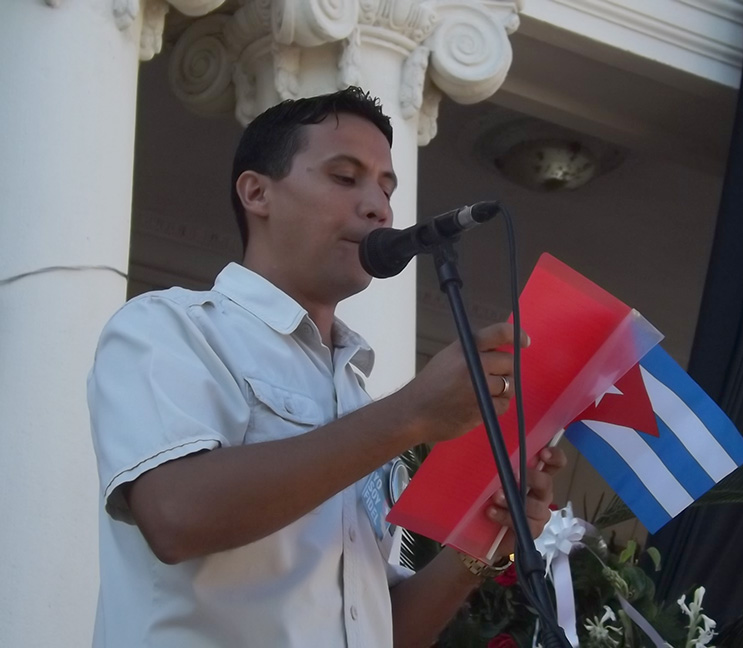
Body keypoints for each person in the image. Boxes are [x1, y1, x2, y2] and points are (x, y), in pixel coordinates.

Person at [87, 86, 566, 647]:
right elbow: (174, 514)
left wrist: (481, 540)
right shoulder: (168, 327)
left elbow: (382, 630)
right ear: (256, 192)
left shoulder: (360, 402)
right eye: (345, 177)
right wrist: (410, 415)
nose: (378, 206)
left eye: (387, 187)